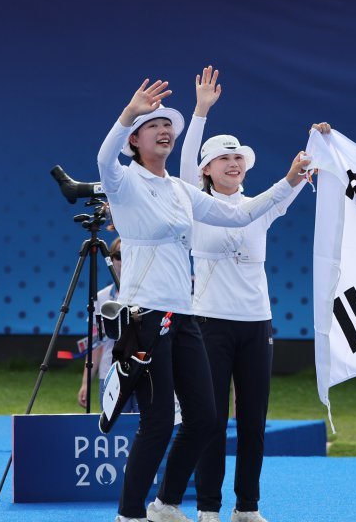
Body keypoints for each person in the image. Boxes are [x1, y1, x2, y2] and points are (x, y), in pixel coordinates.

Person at [98, 79, 310, 522]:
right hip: (146, 315)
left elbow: (240, 213)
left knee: (206, 419)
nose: (163, 131)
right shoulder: (124, 182)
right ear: (134, 140)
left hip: (185, 316)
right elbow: (104, 157)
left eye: (167, 126)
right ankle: (130, 514)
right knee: (156, 423)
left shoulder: (179, 189)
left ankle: (164, 504)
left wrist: (290, 181)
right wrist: (126, 113)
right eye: (152, 125)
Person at [178, 68, 318, 522]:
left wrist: (315, 147)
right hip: (209, 323)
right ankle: (208, 507)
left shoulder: (260, 206)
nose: (233, 164)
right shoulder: (193, 204)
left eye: (238, 159)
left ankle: (248, 507)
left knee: (253, 422)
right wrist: (200, 109)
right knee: (211, 421)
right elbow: (183, 166)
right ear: (206, 169)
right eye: (224, 159)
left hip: (257, 323)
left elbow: (292, 185)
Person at [77, 239, 126, 410]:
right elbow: (96, 344)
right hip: (109, 374)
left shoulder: (149, 297)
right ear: (111, 260)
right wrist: (85, 383)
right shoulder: (101, 297)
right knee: (112, 430)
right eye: (119, 256)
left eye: (129, 255)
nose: (124, 261)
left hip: (142, 373)